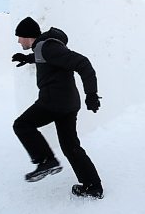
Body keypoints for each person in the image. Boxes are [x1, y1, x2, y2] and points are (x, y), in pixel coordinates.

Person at [11, 16, 103, 199]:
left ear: (27, 36)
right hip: (67, 102)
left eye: (19, 37)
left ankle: (46, 160)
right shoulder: (43, 47)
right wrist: (28, 59)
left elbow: (83, 63)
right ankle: (93, 187)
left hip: (54, 101)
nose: (18, 41)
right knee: (70, 146)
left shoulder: (47, 46)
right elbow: (50, 59)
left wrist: (91, 94)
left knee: (22, 125)